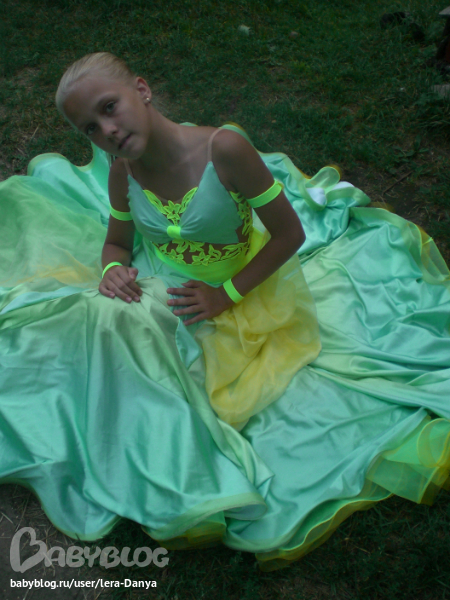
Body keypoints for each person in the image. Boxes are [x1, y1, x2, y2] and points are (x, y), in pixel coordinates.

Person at [0, 51, 449, 571]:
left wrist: (225, 295)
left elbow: (289, 234)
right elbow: (117, 243)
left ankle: (161, 460)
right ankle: (123, 446)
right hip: (166, 282)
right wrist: (112, 269)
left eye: (109, 107)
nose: (108, 131)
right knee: (101, 322)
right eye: (91, 129)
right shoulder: (122, 173)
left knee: (132, 339)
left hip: (240, 289)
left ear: (141, 90)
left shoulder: (224, 150)